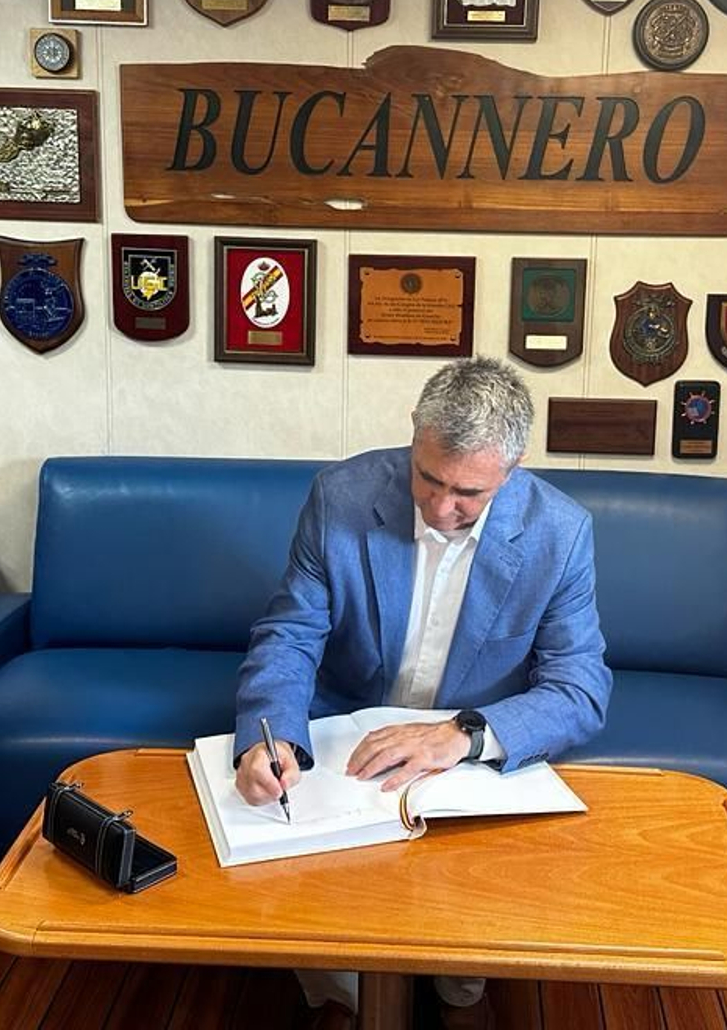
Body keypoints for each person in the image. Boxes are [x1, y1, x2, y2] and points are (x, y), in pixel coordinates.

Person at [232, 357, 612, 1030]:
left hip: (467, 738)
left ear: (514, 465)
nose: (441, 509)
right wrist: (273, 737)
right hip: (348, 719)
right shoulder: (340, 496)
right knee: (311, 885)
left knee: (469, 909)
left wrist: (463, 736)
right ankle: (340, 997)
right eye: (428, 478)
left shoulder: (561, 531)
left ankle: (461, 990)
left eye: (468, 493)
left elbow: (580, 687)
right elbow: (290, 634)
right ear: (414, 432)